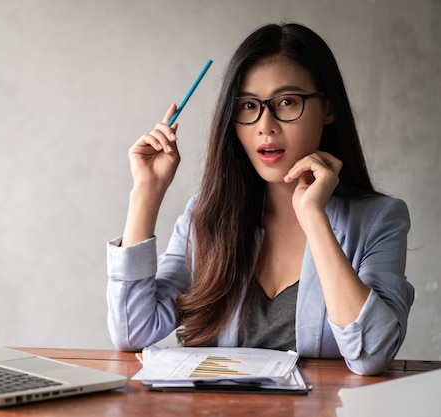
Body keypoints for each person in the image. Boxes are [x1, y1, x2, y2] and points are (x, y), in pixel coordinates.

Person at [106, 22, 415, 376]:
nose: (265, 125)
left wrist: (313, 217)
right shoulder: (205, 218)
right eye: (248, 106)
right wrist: (146, 191)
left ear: (328, 108)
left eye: (286, 102)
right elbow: (133, 332)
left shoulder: (380, 218)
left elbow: (372, 353)